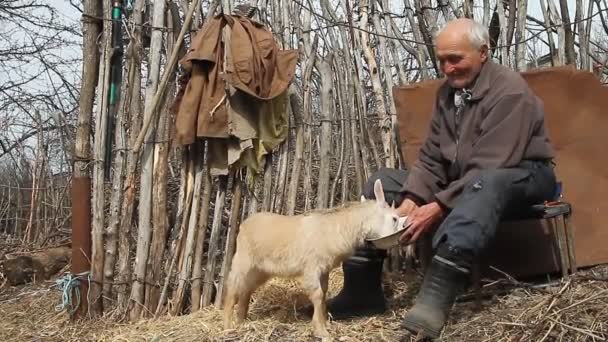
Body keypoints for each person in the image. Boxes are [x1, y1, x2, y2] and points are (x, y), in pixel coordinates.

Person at [310, 18, 559, 339]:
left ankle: (433, 302)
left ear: (484, 52)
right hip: (471, 178)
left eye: (456, 58)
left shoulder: (509, 91)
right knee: (383, 182)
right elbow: (431, 158)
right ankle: (362, 293)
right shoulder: (448, 93)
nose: (447, 68)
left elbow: (491, 165)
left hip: (521, 176)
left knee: (486, 184)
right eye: (441, 59)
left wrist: (437, 207)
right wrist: (413, 198)